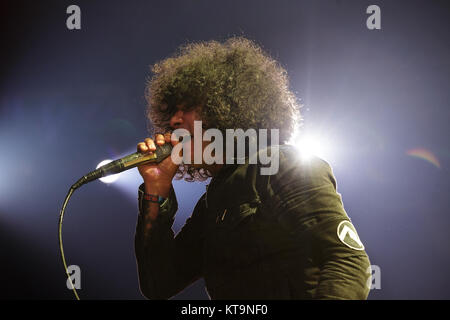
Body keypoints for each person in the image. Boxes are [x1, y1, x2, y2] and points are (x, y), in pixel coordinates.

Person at [134, 37, 371, 299]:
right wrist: (158, 191)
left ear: (226, 108)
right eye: (172, 112)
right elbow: (159, 285)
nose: (175, 120)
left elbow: (347, 262)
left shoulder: (283, 166)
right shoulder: (211, 204)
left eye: (187, 107)